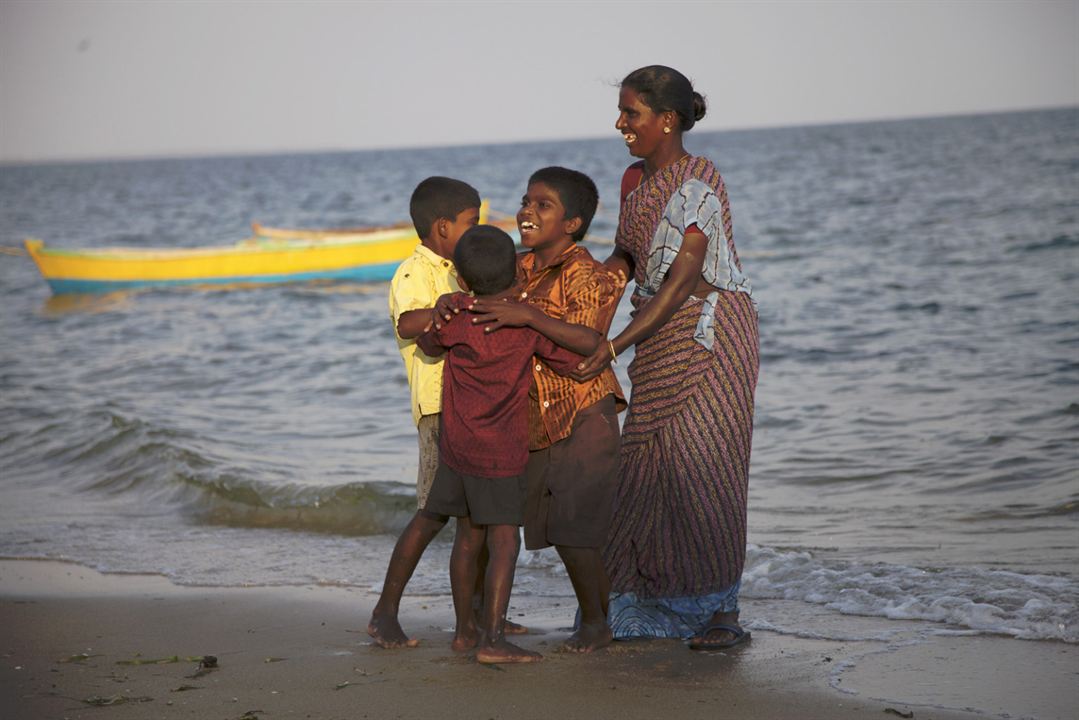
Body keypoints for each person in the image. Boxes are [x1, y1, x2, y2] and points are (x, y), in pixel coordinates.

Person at [573, 65, 760, 650]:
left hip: (709, 332)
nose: (621, 123)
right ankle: (644, 600)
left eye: (631, 113)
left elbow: (682, 280)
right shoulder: (634, 180)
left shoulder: (700, 178)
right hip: (655, 333)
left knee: (705, 469)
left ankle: (720, 611)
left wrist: (613, 345)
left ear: (667, 119)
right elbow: (626, 258)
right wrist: (574, 293)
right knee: (647, 471)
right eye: (622, 112)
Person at [465, 167, 625, 653]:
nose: (526, 212)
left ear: (572, 223)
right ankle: (487, 617)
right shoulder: (519, 267)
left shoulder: (586, 274)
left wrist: (529, 314)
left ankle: (598, 625)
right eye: (525, 201)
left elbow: (589, 341)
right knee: (553, 526)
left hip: (584, 410)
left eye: (542, 205)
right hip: (534, 419)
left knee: (577, 529)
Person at [418, 224, 590, 664]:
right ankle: (493, 639)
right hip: (501, 453)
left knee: (466, 540)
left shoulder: (456, 317)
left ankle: (463, 633)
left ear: (460, 278)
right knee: (504, 543)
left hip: (458, 450)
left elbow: (427, 343)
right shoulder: (522, 324)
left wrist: (446, 307)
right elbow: (572, 362)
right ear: (517, 271)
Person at [366, 176, 479, 649]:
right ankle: (384, 613)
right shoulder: (414, 272)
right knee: (432, 514)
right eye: (472, 224)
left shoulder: (461, 268)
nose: (477, 232)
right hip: (438, 410)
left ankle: (476, 618)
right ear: (442, 227)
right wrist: (452, 307)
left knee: (479, 520)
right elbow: (410, 321)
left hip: (475, 408)